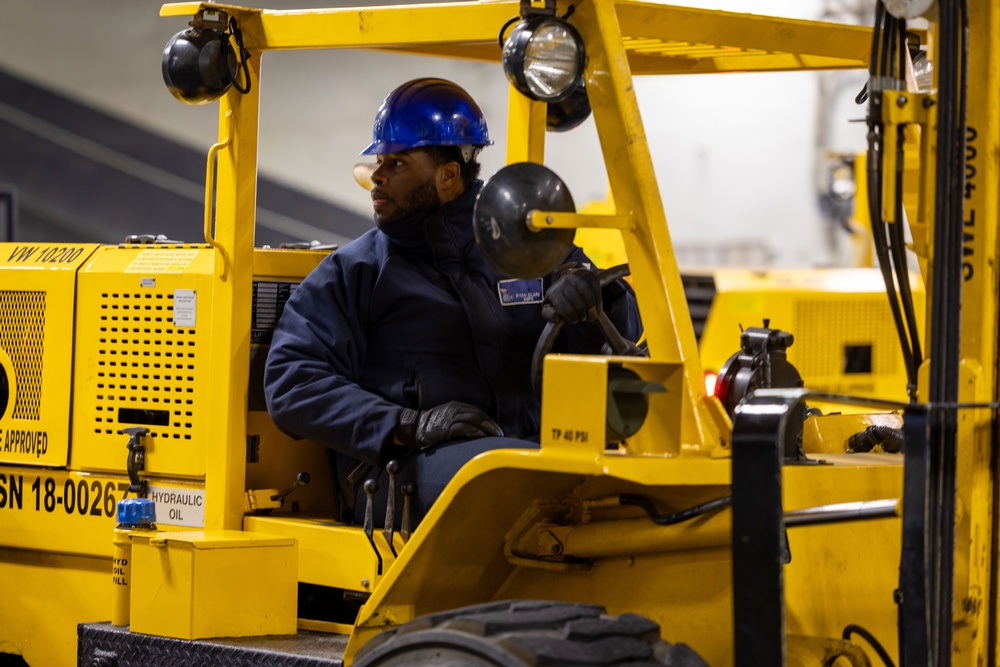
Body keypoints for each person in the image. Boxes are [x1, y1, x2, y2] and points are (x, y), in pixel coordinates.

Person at [264, 78, 642, 528]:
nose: (377, 177)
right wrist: (405, 425)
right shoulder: (356, 271)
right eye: (378, 161)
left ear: (448, 175)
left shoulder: (526, 252)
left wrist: (596, 300)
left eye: (397, 163)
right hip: (400, 470)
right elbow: (292, 382)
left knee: (633, 479)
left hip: (523, 454)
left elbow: (628, 344)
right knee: (518, 476)